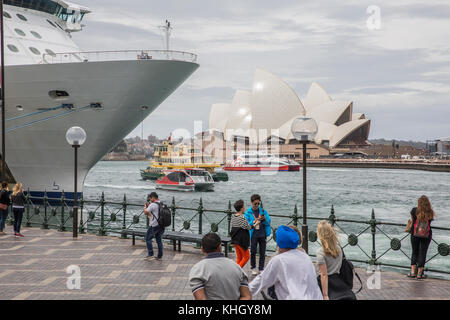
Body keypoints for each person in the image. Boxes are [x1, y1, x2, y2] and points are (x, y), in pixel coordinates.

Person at [249, 225, 323, 300]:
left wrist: (244, 292)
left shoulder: (279, 260)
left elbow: (262, 280)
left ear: (279, 242)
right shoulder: (305, 257)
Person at [189, 232, 251, 300]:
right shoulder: (237, 267)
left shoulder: (198, 270)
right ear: (220, 247)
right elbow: (246, 296)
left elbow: (201, 298)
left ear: (202, 249)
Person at [316, 220, 355, 300]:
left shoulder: (320, 252)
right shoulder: (339, 248)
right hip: (337, 279)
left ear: (320, 235)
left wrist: (325, 295)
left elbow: (324, 275)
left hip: (325, 283)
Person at [408, 195, 435, 279]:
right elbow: (430, 222)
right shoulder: (430, 212)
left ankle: (412, 272)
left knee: (414, 252)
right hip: (426, 235)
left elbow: (412, 220)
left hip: (415, 234)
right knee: (423, 253)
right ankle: (419, 274)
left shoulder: (414, 210)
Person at [244, 194, 271, 275]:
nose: (257, 205)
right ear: (251, 203)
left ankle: (261, 268)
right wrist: (254, 221)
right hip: (253, 234)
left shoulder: (263, 211)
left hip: (262, 233)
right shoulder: (248, 213)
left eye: (258, 203)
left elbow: (268, 222)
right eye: (255, 203)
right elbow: (246, 224)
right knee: (253, 251)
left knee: (262, 252)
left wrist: (264, 219)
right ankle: (253, 267)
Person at [230, 200, 252, 268]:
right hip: (241, 241)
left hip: (235, 240)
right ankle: (236, 271)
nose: (244, 208)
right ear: (241, 208)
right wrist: (255, 224)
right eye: (244, 206)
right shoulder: (242, 217)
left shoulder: (234, 217)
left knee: (239, 258)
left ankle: (236, 271)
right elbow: (248, 227)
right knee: (247, 257)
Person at [143, 192, 164, 260]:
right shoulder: (161, 203)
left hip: (154, 225)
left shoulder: (152, 205)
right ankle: (159, 256)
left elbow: (146, 212)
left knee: (148, 239)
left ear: (153, 197)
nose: (149, 199)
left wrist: (145, 207)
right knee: (159, 240)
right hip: (161, 225)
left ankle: (150, 254)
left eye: (150, 198)